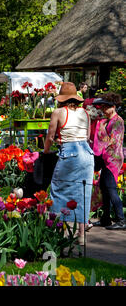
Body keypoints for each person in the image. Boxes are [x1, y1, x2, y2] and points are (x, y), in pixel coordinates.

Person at [44, 82, 94, 245]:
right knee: (83, 192)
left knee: (58, 189)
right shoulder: (85, 113)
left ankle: (59, 230)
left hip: (70, 153)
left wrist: (46, 152)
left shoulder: (58, 112)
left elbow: (50, 137)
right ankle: (81, 235)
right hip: (86, 153)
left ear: (61, 99)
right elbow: (86, 136)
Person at [91, 93, 125, 230]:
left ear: (114, 106)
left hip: (113, 159)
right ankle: (106, 219)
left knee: (111, 189)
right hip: (106, 158)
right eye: (103, 107)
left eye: (106, 107)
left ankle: (121, 220)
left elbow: (114, 142)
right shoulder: (105, 121)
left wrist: (101, 155)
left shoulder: (118, 121)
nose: (104, 110)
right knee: (105, 189)